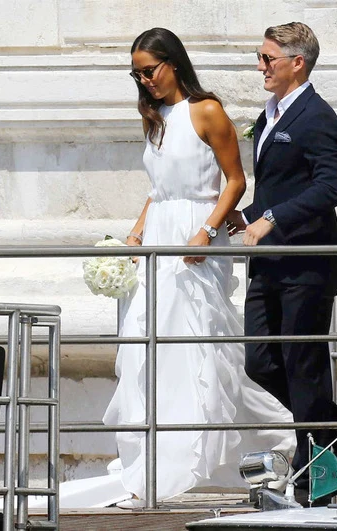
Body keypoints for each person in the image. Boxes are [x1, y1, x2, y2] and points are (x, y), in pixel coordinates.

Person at [102, 27, 296, 507]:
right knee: (149, 345)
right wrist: (134, 234)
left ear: (173, 62)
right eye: (137, 74)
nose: (145, 81)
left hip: (197, 238)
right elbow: (158, 191)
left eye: (149, 70)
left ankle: (275, 441)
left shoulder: (206, 110)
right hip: (161, 236)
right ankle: (154, 460)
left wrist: (207, 231)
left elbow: (235, 181)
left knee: (196, 345)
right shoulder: (155, 118)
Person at [226, 22, 337, 505]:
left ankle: (315, 484)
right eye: (260, 57)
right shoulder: (268, 114)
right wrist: (245, 216)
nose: (260, 66)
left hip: (308, 264)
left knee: (304, 369)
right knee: (261, 362)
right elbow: (280, 187)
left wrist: (271, 218)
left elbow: (331, 187)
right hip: (270, 263)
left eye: (267, 58)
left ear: (298, 62)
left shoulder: (317, 116)